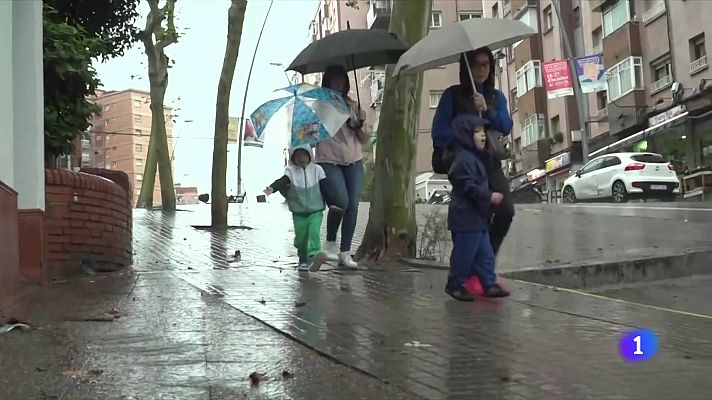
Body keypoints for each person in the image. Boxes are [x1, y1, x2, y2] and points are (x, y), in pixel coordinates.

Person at [431, 47, 515, 256]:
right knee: (472, 215)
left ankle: (486, 258)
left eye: (486, 64)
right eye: (476, 64)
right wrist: (466, 137)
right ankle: (466, 265)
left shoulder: (495, 97)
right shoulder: (453, 95)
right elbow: (439, 132)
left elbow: (506, 125)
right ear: (466, 66)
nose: (481, 69)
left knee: (505, 210)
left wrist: (487, 109)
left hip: (490, 162)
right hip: (463, 163)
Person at [446, 114, 509, 301]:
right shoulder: (464, 160)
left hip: (478, 217)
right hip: (466, 218)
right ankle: (455, 284)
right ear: (465, 135)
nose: (482, 135)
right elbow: (468, 187)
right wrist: (489, 196)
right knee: (464, 255)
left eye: (483, 131)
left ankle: (489, 283)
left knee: (485, 254)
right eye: (477, 132)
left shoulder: (475, 157)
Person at [314, 64, 369, 269]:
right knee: (341, 201)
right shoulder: (319, 106)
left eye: (341, 80)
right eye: (334, 80)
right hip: (328, 160)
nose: (338, 84)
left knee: (353, 206)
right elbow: (312, 136)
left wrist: (361, 122)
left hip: (353, 160)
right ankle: (329, 243)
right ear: (327, 82)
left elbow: (364, 139)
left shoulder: (352, 105)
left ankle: (345, 253)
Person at [264, 145, 328, 272]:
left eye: (304, 155)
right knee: (301, 238)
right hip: (298, 212)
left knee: (314, 231)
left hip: (316, 209)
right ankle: (303, 260)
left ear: (309, 154)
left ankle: (314, 256)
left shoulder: (317, 170)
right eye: (297, 156)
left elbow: (326, 187)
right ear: (293, 158)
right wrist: (272, 188)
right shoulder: (290, 171)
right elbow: (283, 181)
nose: (301, 158)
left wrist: (334, 202)